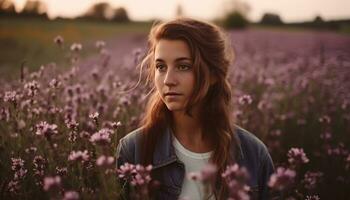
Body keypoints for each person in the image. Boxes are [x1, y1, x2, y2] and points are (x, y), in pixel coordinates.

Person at [116, 17, 276, 200]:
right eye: (161, 67)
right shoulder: (133, 149)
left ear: (215, 74)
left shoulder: (253, 154)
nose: (168, 80)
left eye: (183, 66)